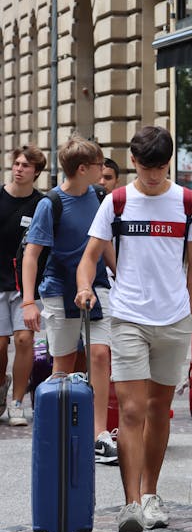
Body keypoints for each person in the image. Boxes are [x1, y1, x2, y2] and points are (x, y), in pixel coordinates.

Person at [75, 126, 192, 532]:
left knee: (159, 409)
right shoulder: (117, 201)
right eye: (146, 168)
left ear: (168, 164)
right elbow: (90, 256)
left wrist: (188, 314)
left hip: (172, 321)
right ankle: (131, 504)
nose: (153, 177)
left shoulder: (187, 202)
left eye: (161, 168)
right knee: (131, 411)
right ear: (133, 161)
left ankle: (151, 492)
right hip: (128, 316)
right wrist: (84, 287)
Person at [22, 136, 117, 464]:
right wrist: (28, 301)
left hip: (98, 286)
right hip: (59, 290)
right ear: (82, 169)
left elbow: (104, 245)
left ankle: (99, 434)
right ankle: (59, 426)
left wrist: (121, 276)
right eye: (98, 165)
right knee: (62, 362)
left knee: (100, 355)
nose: (103, 170)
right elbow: (32, 254)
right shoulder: (51, 203)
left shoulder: (100, 196)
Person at [0, 145, 47, 425]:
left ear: (36, 172)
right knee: (0, 345)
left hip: (25, 285)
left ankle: (17, 402)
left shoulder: (41, 204)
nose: (19, 169)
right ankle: (1, 387)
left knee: (24, 339)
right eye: (16, 164)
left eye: (26, 166)